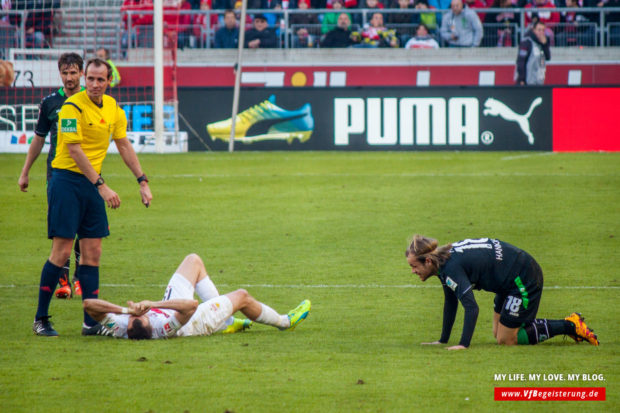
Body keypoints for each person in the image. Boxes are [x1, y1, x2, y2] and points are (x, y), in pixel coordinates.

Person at [32, 57, 153, 337]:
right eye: (91, 79)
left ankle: (91, 322)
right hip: (65, 182)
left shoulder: (112, 108)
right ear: (84, 79)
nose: (95, 84)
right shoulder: (71, 107)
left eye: (101, 79)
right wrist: (101, 185)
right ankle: (41, 319)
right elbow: (73, 149)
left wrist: (142, 181)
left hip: (91, 184)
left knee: (93, 253)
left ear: (109, 81)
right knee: (61, 252)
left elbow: (123, 144)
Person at [405, 235, 599, 349]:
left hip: (523, 278)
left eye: (414, 266)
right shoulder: (443, 260)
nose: (413, 271)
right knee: (498, 333)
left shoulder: (451, 267)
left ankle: (570, 325)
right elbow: (451, 301)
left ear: (428, 261)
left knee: (507, 339)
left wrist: (463, 344)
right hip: (507, 277)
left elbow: (471, 308)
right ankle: (532, 323)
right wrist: (442, 340)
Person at [84, 253, 312, 339]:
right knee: (242, 297)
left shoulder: (123, 326)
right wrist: (153, 303)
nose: (140, 315)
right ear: (148, 324)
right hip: (194, 321)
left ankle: (229, 322)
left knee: (193, 261)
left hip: (172, 308)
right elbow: (190, 306)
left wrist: (127, 311)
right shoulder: (164, 328)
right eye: (141, 317)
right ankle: (285, 322)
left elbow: (89, 305)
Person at [19, 53, 85, 300]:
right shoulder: (50, 103)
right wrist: (25, 172)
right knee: (62, 228)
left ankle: (80, 277)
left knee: (85, 228)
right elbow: (38, 139)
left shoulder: (89, 100)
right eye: (65, 73)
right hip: (56, 174)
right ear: (60, 74)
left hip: (86, 172)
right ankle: (64, 282)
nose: (69, 78)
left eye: (73, 72)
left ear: (81, 73)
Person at [515, 20, 550, 85]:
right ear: (534, 30)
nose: (541, 32)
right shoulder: (526, 42)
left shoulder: (542, 44)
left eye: (543, 30)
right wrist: (521, 79)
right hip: (527, 81)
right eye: (539, 30)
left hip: (538, 81)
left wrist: (545, 45)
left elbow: (547, 57)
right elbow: (521, 61)